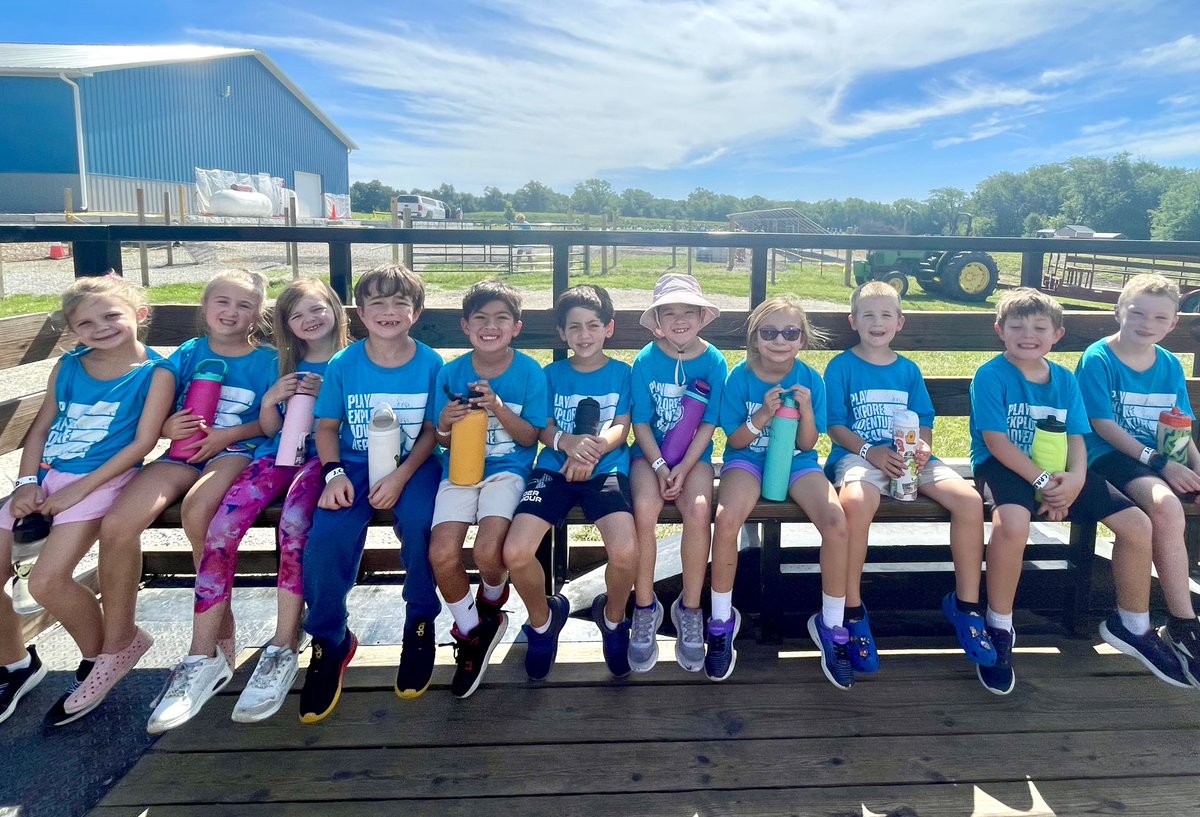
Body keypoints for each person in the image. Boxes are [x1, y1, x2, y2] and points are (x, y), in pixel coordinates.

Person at [74, 269, 275, 728]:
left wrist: (229, 434)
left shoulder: (267, 360)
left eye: (245, 305)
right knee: (118, 525)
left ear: (258, 314)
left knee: (198, 512)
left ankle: (214, 638)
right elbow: (156, 412)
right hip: (180, 455)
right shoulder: (186, 354)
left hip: (234, 454)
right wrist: (167, 428)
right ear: (204, 308)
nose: (232, 312)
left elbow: (271, 423)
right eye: (222, 302)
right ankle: (121, 641)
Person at [147, 279, 350, 732]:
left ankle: (282, 645)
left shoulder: (351, 360)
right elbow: (267, 426)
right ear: (286, 325)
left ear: (335, 310)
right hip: (274, 455)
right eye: (297, 315)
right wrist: (272, 399)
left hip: (324, 459)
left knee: (295, 522)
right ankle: (201, 658)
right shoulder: (285, 361)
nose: (309, 321)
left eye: (317, 310)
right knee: (220, 527)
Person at [969, 288, 1182, 694]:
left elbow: (1078, 438)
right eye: (1016, 326)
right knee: (1012, 523)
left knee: (1137, 523)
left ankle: (1132, 624)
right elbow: (996, 441)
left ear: (1057, 334)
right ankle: (999, 625)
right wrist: (1042, 482)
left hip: (1063, 473)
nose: (1027, 335)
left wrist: (1076, 480)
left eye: (1039, 328)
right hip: (1007, 466)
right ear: (1000, 330)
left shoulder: (1065, 379)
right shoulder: (991, 375)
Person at [0, 275, 174, 725]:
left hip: (101, 482)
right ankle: (17, 663)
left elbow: (141, 444)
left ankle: (102, 655)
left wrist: (82, 488)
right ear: (73, 331)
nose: (100, 327)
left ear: (138, 314)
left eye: (111, 315)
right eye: (85, 323)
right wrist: (25, 482)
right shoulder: (70, 366)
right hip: (46, 479)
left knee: (44, 582)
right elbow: (40, 428)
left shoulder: (155, 373)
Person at [298, 264, 445, 724]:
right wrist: (333, 473)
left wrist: (401, 478)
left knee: (422, 523)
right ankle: (329, 638)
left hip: (412, 466)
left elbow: (430, 433)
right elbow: (326, 427)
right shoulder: (344, 363)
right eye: (376, 303)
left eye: (399, 302)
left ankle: (420, 620)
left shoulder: (430, 363)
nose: (388, 311)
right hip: (354, 465)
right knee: (327, 536)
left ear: (416, 312)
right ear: (360, 312)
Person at [825, 282, 989, 680]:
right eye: (868, 315)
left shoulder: (908, 370)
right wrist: (871, 453)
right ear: (853, 322)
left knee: (968, 501)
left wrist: (924, 451)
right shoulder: (842, 366)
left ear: (899, 322)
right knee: (856, 503)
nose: (877, 323)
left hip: (912, 458)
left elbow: (925, 421)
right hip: (860, 457)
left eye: (886, 315)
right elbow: (835, 425)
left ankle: (966, 607)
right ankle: (852, 609)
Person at [501, 285, 636, 681]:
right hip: (553, 470)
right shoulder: (550, 375)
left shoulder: (623, 373)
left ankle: (612, 619)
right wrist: (567, 446)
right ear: (562, 333)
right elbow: (543, 428)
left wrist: (588, 453)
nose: (584, 334)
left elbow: (621, 427)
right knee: (516, 551)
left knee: (626, 552)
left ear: (608, 328)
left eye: (593, 325)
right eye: (574, 327)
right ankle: (543, 622)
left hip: (607, 470)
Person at [714, 296, 849, 684]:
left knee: (836, 522)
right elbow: (736, 441)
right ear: (755, 339)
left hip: (797, 464)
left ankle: (832, 624)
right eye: (769, 333)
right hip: (748, 461)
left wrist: (805, 411)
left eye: (790, 332)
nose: (780, 340)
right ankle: (722, 621)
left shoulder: (810, 379)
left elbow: (808, 445)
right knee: (726, 521)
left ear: (802, 339)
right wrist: (761, 415)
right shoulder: (739, 377)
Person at [1075, 273, 1200, 687]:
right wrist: (1161, 462)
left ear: (1172, 323)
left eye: (1158, 317)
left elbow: (1180, 428)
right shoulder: (1099, 358)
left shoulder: (1167, 364)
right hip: (1109, 457)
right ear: (1119, 311)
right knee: (1164, 504)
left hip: (1160, 460)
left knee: (1170, 508)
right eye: (1137, 312)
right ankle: (1181, 621)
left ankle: (1180, 624)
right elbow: (1102, 425)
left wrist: (1197, 468)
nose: (1146, 323)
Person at [428, 278, 548, 699]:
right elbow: (439, 438)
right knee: (441, 554)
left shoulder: (529, 371)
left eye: (501, 318)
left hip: (507, 471)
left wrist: (497, 407)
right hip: (457, 472)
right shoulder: (450, 372)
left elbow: (530, 438)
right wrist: (445, 421)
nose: (490, 326)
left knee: (487, 552)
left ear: (516, 327)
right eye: (480, 318)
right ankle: (473, 629)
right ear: (465, 325)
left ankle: (493, 601)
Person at [629, 274, 727, 676]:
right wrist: (659, 466)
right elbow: (641, 423)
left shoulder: (714, 359)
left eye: (689, 311)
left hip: (695, 459)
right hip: (648, 457)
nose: (680, 319)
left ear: (703, 316)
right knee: (644, 511)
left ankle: (690, 608)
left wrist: (684, 467)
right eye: (669, 312)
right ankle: (644, 607)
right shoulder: (645, 360)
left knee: (700, 510)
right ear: (657, 321)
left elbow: (709, 424)